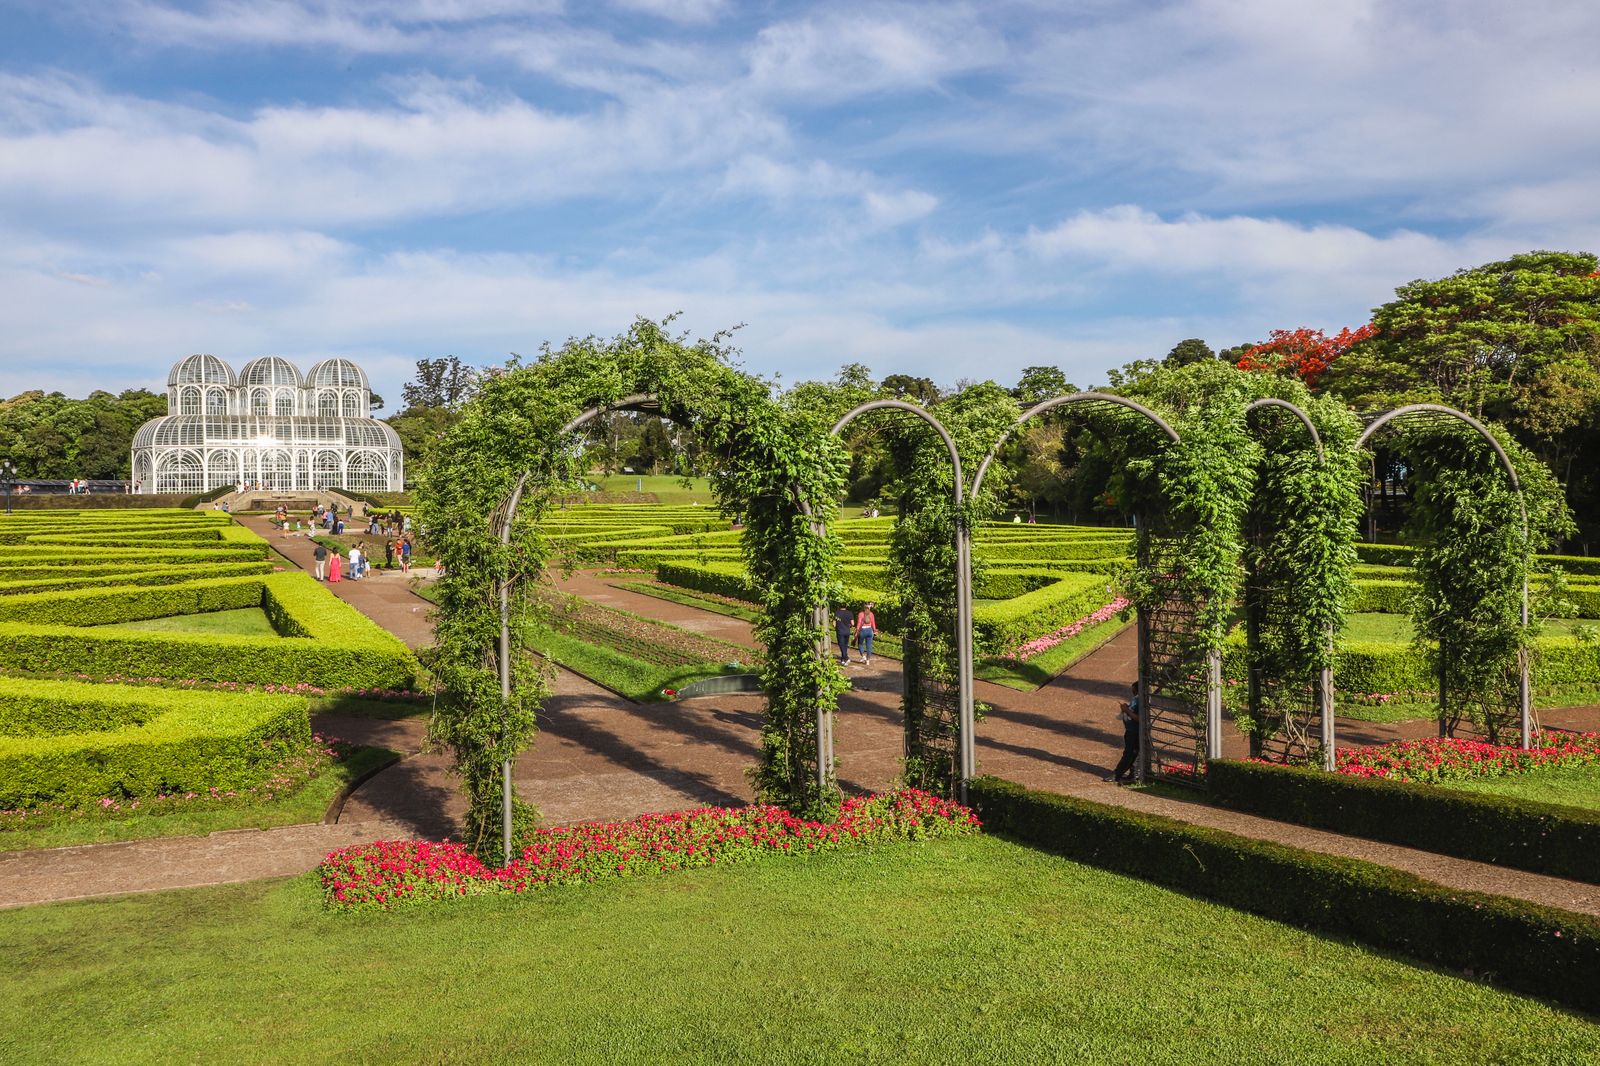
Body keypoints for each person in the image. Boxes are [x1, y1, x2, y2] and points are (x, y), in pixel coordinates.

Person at [1108, 682, 1141, 783]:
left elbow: (1139, 718)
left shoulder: (1140, 700)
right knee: (1134, 755)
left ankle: (1117, 774)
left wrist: (1126, 710)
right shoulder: (1137, 699)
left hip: (1134, 732)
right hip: (1131, 731)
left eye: (1134, 690)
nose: (1133, 692)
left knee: (1129, 754)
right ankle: (1133, 775)